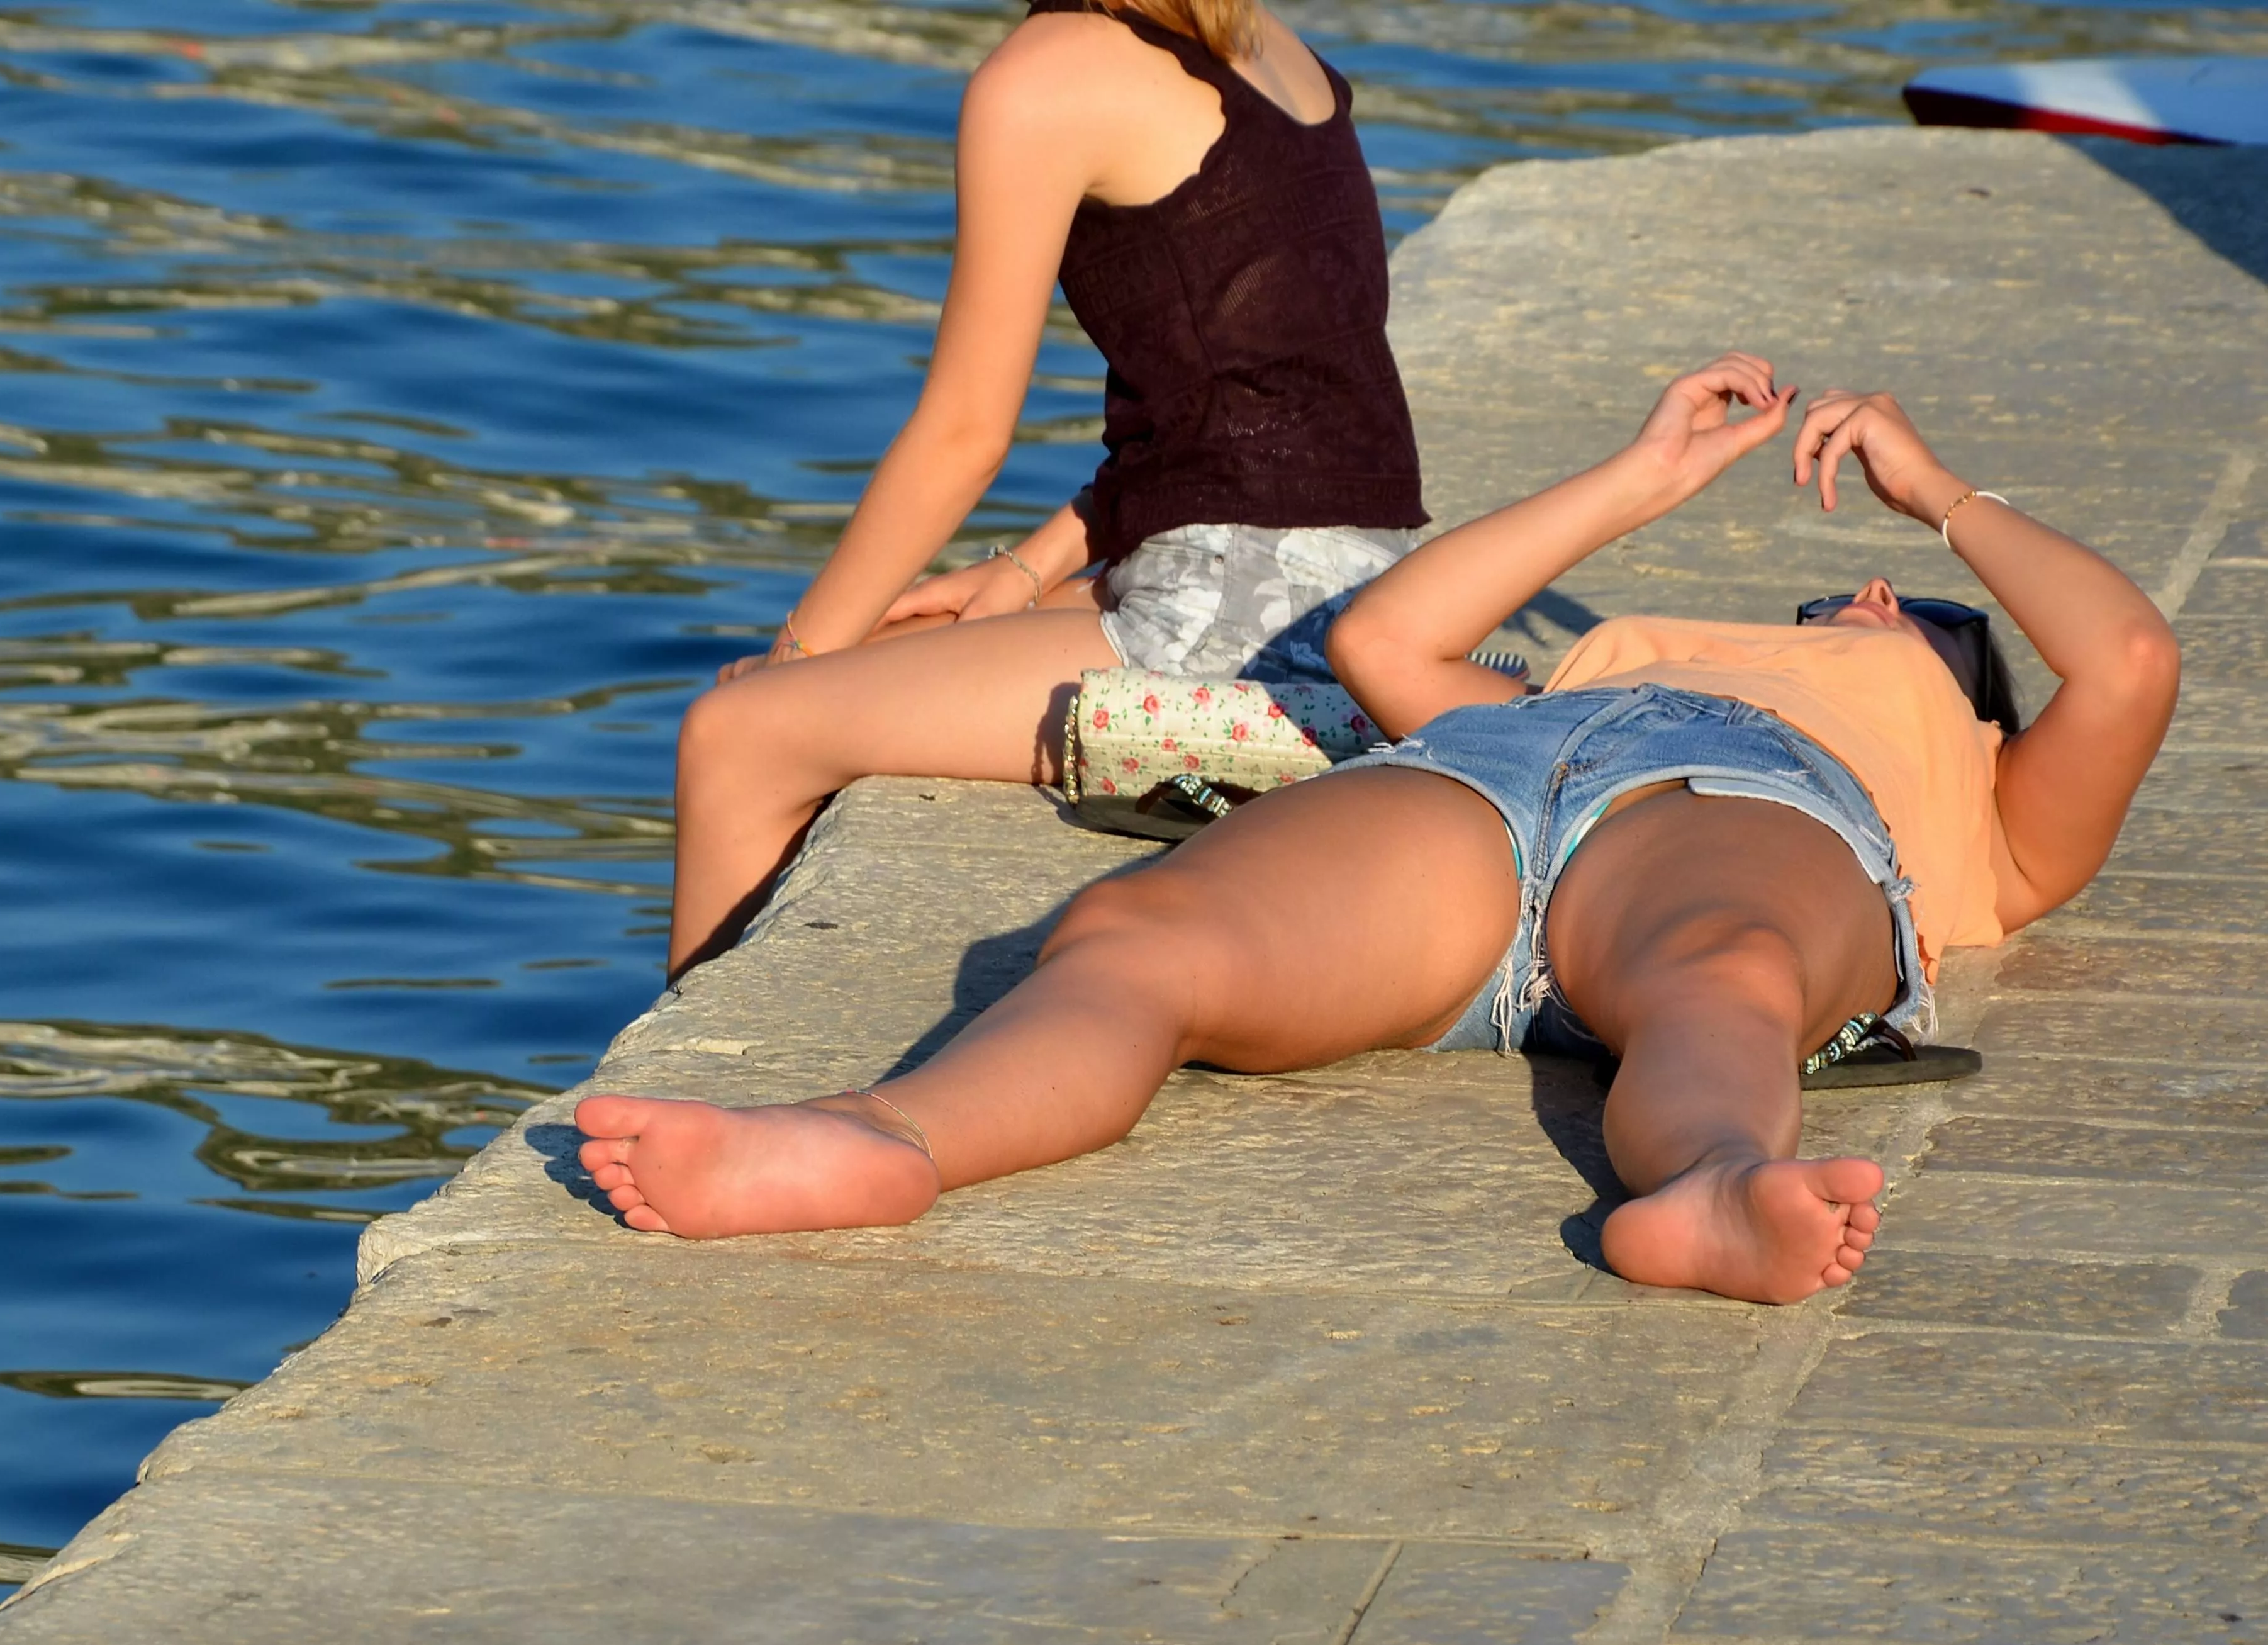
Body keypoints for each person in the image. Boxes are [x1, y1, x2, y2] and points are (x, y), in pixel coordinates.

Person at [576, 356, 2180, 1305]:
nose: (1872, 601)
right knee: (1145, 934)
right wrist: (1636, 479)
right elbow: (1385, 643)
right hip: (1509, 759)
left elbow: (2122, 661)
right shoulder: (1616, 650)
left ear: (1973, 697)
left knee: (1725, 967)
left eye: (1924, 623)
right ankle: (886, 1135)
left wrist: (1939, 494)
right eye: (1840, 601)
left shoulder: (1981, 807)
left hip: (1752, 813)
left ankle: (1706, 1184)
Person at [668, 0, 1429, 976]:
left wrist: (796, 651)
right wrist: (1027, 569)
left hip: (1233, 625)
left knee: (737, 736)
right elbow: (1266, 402)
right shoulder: (1259, 41)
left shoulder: (1045, 74)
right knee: (889, 649)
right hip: (1342, 587)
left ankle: (686, 1092)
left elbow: (962, 437)